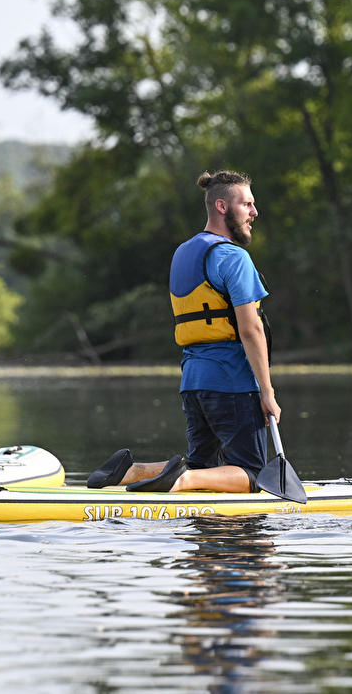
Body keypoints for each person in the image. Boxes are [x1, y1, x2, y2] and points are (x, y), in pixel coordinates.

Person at [85, 170, 281, 494]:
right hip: (232, 381)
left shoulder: (182, 253)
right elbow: (251, 329)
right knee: (252, 474)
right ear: (222, 206)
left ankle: (131, 471)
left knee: (203, 465)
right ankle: (180, 478)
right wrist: (268, 393)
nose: (254, 212)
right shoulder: (234, 257)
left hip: (193, 382)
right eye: (247, 204)